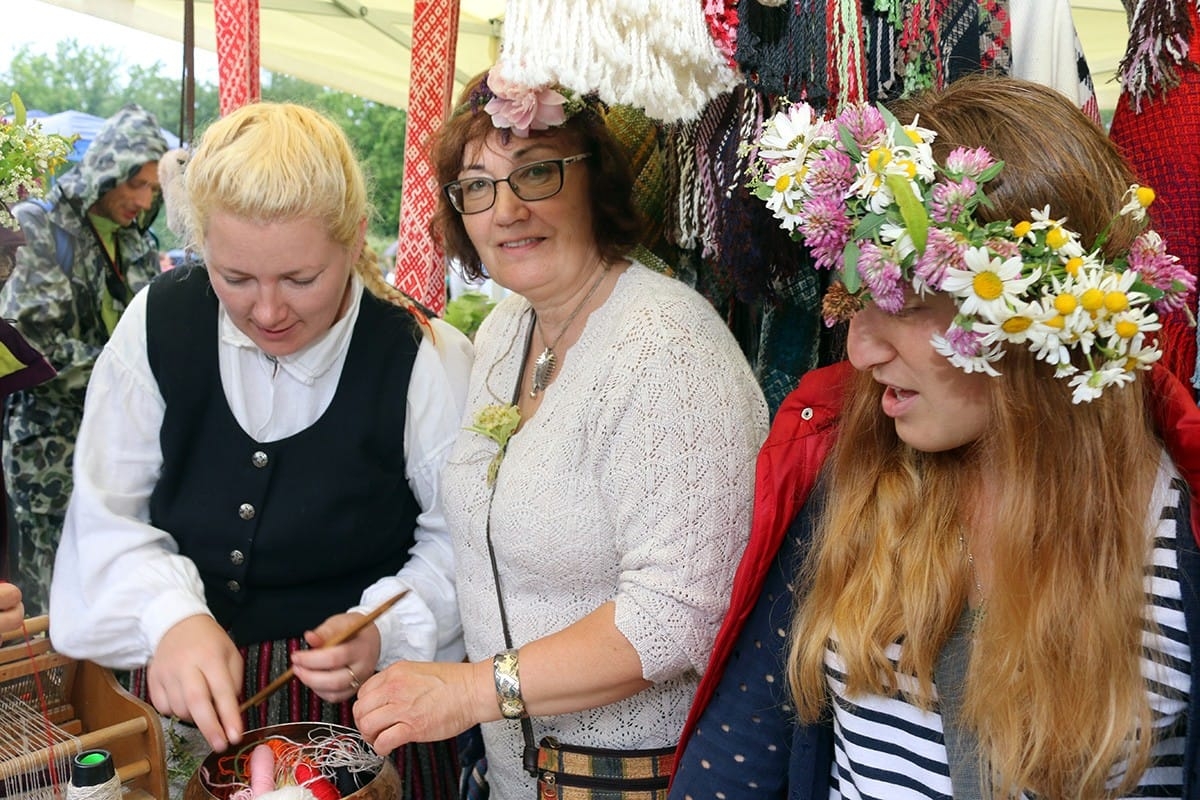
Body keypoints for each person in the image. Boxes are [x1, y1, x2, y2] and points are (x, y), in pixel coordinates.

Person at [668, 75, 1200, 799]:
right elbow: (740, 753)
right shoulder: (848, 467)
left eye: (909, 301)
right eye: (859, 295)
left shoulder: (1177, 537)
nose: (858, 353)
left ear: (1042, 308)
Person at [351, 70, 770, 798]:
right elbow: (487, 546)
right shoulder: (509, 328)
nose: (505, 210)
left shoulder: (667, 344)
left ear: (595, 182)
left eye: (536, 174)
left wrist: (472, 691)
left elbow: (677, 618)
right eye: (476, 187)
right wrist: (383, 629)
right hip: (518, 773)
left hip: (638, 777)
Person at [48, 102, 473, 799]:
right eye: (235, 279)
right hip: (176, 691)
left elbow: (459, 547)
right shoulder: (158, 323)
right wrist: (171, 617)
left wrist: (381, 634)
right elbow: (106, 513)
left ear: (356, 238)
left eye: (301, 279)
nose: (269, 311)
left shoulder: (426, 358)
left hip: (356, 720)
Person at [1, 103, 168, 616]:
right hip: (47, 456)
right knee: (47, 610)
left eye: (154, 191)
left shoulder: (136, 245)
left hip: (118, 454)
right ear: (106, 171)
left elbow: (153, 334)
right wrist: (132, 373)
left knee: (107, 596)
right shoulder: (39, 229)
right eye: (135, 184)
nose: (142, 200)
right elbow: (34, 350)